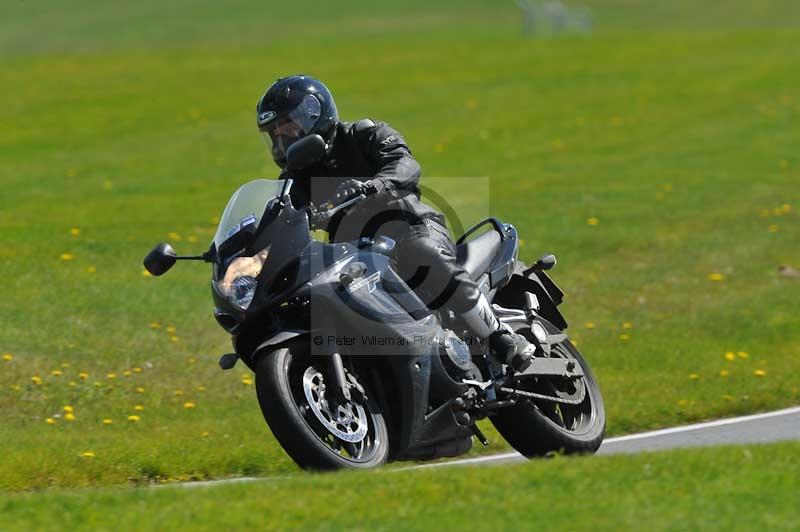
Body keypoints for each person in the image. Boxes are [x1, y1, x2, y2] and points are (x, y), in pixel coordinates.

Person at [256, 74, 535, 372]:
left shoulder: (364, 133)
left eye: (289, 129)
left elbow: (405, 164)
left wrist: (375, 185)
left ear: (314, 115)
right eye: (275, 135)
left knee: (422, 254)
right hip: (356, 252)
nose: (283, 141)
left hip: (409, 227)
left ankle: (498, 338)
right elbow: (279, 220)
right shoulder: (293, 182)